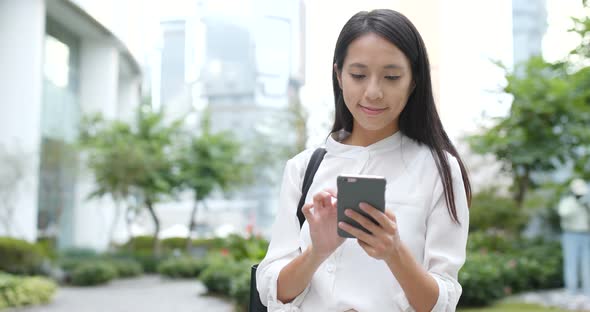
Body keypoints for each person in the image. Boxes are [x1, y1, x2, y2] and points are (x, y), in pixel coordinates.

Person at [256, 9, 471, 312]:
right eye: (358, 75)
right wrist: (318, 251)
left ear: (413, 81)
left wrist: (394, 252)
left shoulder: (439, 170)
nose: (373, 92)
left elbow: (440, 304)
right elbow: (274, 291)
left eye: (392, 77)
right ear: (339, 76)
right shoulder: (303, 168)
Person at [557, 178, 590, 297]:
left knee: (587, 263)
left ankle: (588, 290)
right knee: (571, 263)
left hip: (586, 235)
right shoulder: (567, 202)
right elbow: (563, 213)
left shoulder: (587, 202)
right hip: (571, 235)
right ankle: (571, 290)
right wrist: (577, 204)